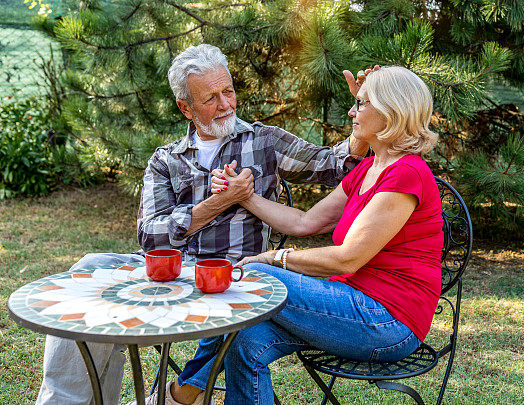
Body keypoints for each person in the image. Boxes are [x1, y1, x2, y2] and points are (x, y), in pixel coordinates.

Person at [36, 43, 371, 405]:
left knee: (238, 306)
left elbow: (335, 164)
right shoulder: (166, 160)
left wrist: (365, 113)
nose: (226, 104)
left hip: (233, 274)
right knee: (86, 270)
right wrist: (217, 203)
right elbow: (151, 235)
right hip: (168, 269)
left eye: (228, 90)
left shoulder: (263, 141)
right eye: (211, 98)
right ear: (185, 108)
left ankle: (180, 396)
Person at [154, 66, 444, 405]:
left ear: (390, 111)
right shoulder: (369, 168)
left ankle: (178, 397)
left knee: (258, 275)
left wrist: (274, 258)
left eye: (361, 104)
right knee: (244, 336)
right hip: (349, 305)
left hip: (388, 323)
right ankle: (183, 396)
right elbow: (304, 222)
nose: (351, 111)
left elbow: (348, 256)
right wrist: (243, 195)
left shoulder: (407, 173)